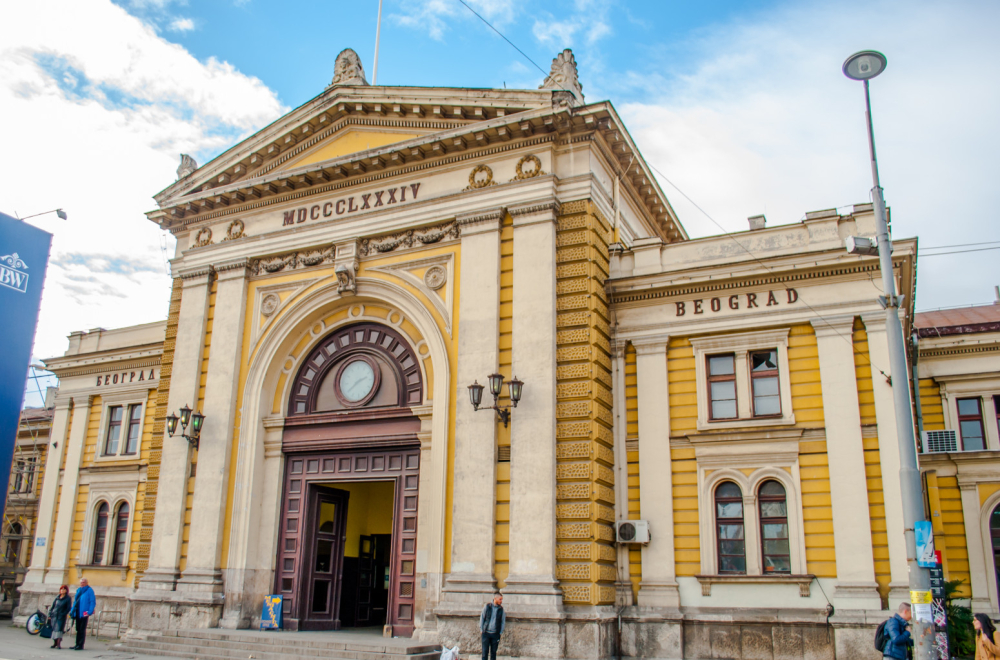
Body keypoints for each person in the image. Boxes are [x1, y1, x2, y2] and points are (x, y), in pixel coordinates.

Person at [69, 578, 95, 651]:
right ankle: (76, 644)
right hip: (77, 611)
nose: (82, 584)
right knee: (77, 628)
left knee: (82, 629)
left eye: (83, 582)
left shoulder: (90, 590)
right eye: (81, 583)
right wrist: (72, 610)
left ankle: (80, 644)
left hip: (84, 613)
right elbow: (75, 601)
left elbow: (92, 601)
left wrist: (90, 611)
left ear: (87, 583)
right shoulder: (79, 590)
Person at [479, 593, 505, 660]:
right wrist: (481, 630)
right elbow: (482, 617)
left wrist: (500, 633)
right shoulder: (487, 606)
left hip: (495, 634)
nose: (501, 601)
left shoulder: (501, 609)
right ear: (495, 598)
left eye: (501, 599)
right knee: (485, 653)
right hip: (486, 633)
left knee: (493, 654)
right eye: (500, 599)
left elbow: (502, 622)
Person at [48, 585, 72, 649]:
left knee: (59, 630)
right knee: (54, 630)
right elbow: (53, 606)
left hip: (61, 616)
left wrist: (63, 613)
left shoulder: (67, 598)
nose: (62, 590)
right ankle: (55, 643)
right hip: (54, 615)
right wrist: (50, 614)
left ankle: (58, 643)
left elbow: (68, 608)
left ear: (66, 590)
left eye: (64, 589)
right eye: (61, 589)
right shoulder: (57, 597)